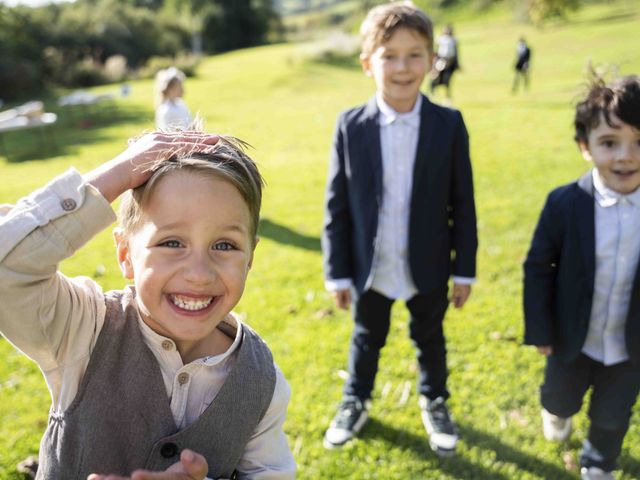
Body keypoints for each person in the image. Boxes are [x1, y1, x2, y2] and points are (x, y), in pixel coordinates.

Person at [0, 131, 296, 479]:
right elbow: (8, 266)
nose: (199, 274)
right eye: (172, 242)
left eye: (225, 246)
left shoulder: (260, 379)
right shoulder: (82, 329)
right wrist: (116, 176)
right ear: (125, 254)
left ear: (250, 257)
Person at [321, 1, 477, 457]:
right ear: (369, 63)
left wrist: (464, 269)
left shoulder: (449, 124)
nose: (403, 67)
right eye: (390, 55)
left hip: (429, 260)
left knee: (430, 337)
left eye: (415, 55)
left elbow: (463, 204)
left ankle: (435, 400)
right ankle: (356, 399)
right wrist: (337, 272)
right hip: (371, 263)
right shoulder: (350, 125)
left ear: (433, 60)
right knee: (366, 338)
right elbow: (337, 207)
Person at [524, 74, 640, 480]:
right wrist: (540, 328)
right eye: (610, 143)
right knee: (560, 397)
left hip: (631, 345)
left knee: (613, 414)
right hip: (571, 335)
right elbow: (538, 268)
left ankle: (598, 462)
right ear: (585, 147)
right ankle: (557, 413)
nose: (627, 156)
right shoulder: (564, 204)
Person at [429, 24, 459, 102]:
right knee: (436, 77)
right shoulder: (440, 39)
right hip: (441, 61)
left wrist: (457, 63)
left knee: (447, 80)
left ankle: (447, 98)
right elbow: (436, 51)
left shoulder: (453, 40)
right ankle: (432, 94)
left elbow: (456, 52)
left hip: (450, 62)